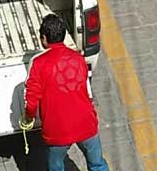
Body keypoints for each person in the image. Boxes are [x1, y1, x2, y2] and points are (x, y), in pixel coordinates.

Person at [22, 14, 109, 171]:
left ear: (44, 38)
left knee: (56, 166)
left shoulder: (38, 63)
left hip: (57, 131)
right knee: (97, 164)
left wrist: (28, 117)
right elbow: (86, 88)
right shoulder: (78, 58)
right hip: (86, 124)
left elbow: (31, 99)